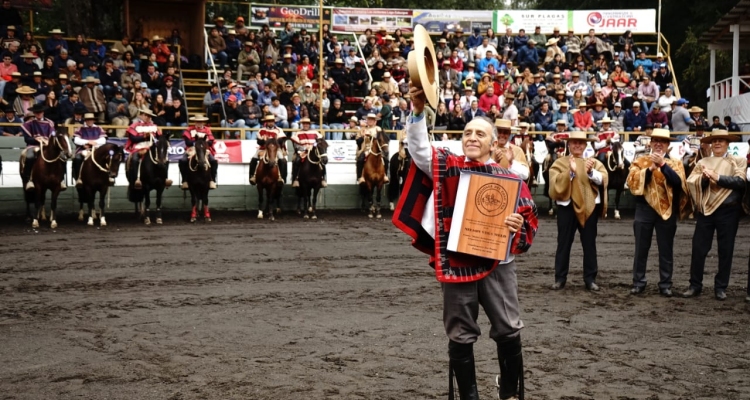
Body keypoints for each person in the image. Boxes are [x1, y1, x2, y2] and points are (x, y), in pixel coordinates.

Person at [393, 83, 537, 400]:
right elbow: (418, 150)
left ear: (492, 143)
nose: (471, 137)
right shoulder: (448, 165)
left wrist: (517, 224)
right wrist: (417, 112)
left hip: (499, 264)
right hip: (457, 262)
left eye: (479, 134)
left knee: (509, 330)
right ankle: (468, 396)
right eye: (467, 132)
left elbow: (528, 218)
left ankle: (510, 393)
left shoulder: (511, 178)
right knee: (460, 334)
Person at [683, 130, 746, 301]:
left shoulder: (738, 161)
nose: (717, 143)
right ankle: (695, 285)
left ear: (727, 143)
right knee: (698, 248)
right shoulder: (703, 162)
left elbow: (740, 182)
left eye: (721, 140)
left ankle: (721, 287)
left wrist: (717, 177)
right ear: (711, 144)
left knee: (726, 250)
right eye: (714, 141)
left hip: (729, 210)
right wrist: (703, 179)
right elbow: (691, 182)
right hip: (706, 210)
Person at [626, 128, 690, 297]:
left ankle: (665, 284)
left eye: (662, 141)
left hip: (667, 210)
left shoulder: (675, 163)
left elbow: (678, 184)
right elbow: (632, 183)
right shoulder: (640, 161)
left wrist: (662, 165)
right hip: (644, 209)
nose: (659, 144)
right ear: (650, 143)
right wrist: (649, 170)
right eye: (655, 141)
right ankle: (638, 282)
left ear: (668, 145)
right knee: (641, 248)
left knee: (666, 249)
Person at [548, 131, 608, 291]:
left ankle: (590, 279)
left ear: (585, 145)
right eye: (574, 142)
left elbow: (603, 179)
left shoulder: (593, 162)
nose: (577, 145)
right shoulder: (559, 163)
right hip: (566, 207)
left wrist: (590, 172)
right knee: (563, 244)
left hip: (589, 208)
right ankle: (560, 279)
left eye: (580, 143)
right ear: (569, 144)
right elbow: (554, 185)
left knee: (589, 244)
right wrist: (570, 172)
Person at [125, 108, 173, 189]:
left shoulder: (154, 126)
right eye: (146, 115)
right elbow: (133, 139)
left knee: (164, 159)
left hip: (152, 147)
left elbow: (159, 138)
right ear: (141, 115)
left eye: (149, 116)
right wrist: (144, 137)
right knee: (135, 159)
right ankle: (136, 179)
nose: (147, 117)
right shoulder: (134, 126)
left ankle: (165, 178)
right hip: (138, 147)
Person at [21, 103, 62, 190]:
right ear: (34, 113)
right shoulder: (28, 124)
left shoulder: (50, 123)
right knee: (30, 156)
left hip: (48, 145)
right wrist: (37, 139)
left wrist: (48, 140)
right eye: (36, 112)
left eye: (40, 112)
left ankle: (61, 179)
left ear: (43, 112)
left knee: (61, 157)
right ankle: (29, 180)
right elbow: (27, 139)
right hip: (34, 145)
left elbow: (53, 134)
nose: (38, 114)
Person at [179, 114, 218, 190]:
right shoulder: (189, 129)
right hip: (192, 149)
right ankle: (185, 180)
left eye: (201, 122)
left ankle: (212, 180)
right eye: (197, 121)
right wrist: (196, 143)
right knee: (183, 161)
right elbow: (187, 142)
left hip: (204, 149)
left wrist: (203, 144)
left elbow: (211, 141)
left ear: (203, 122)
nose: (199, 123)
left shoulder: (207, 130)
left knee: (213, 161)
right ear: (195, 122)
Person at [249, 114, 287, 185]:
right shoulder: (261, 130)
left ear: (274, 122)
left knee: (282, 160)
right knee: (253, 159)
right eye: (269, 121)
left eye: (272, 121)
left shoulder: (279, 130)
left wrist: (271, 141)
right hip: (263, 148)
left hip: (275, 149)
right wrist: (263, 141)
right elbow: (259, 142)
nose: (270, 123)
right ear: (266, 122)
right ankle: (252, 177)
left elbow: (281, 141)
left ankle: (282, 178)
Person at [72, 113, 107, 188]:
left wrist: (94, 142)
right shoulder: (80, 128)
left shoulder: (98, 128)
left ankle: (109, 177)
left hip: (96, 150)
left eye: (91, 120)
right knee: (77, 159)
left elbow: (103, 140)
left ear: (93, 120)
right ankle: (79, 178)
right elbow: (76, 139)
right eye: (88, 120)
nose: (90, 121)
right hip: (83, 150)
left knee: (107, 158)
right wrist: (86, 142)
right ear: (85, 121)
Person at [290, 117, 327, 188]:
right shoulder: (298, 133)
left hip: (314, 152)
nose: (305, 125)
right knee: (297, 161)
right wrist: (304, 148)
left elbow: (320, 142)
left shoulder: (315, 132)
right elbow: (296, 145)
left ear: (309, 125)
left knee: (322, 161)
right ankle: (295, 179)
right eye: (304, 124)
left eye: (307, 124)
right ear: (302, 124)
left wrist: (313, 146)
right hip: (303, 152)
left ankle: (323, 179)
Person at [355, 113, 389, 184]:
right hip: (366, 149)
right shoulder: (362, 129)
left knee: (386, 159)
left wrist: (371, 136)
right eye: (369, 119)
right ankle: (360, 177)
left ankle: (385, 175)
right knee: (360, 159)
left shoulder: (378, 129)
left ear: (375, 121)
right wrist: (362, 136)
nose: (370, 121)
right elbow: (357, 141)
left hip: (376, 149)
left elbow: (381, 138)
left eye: (372, 120)